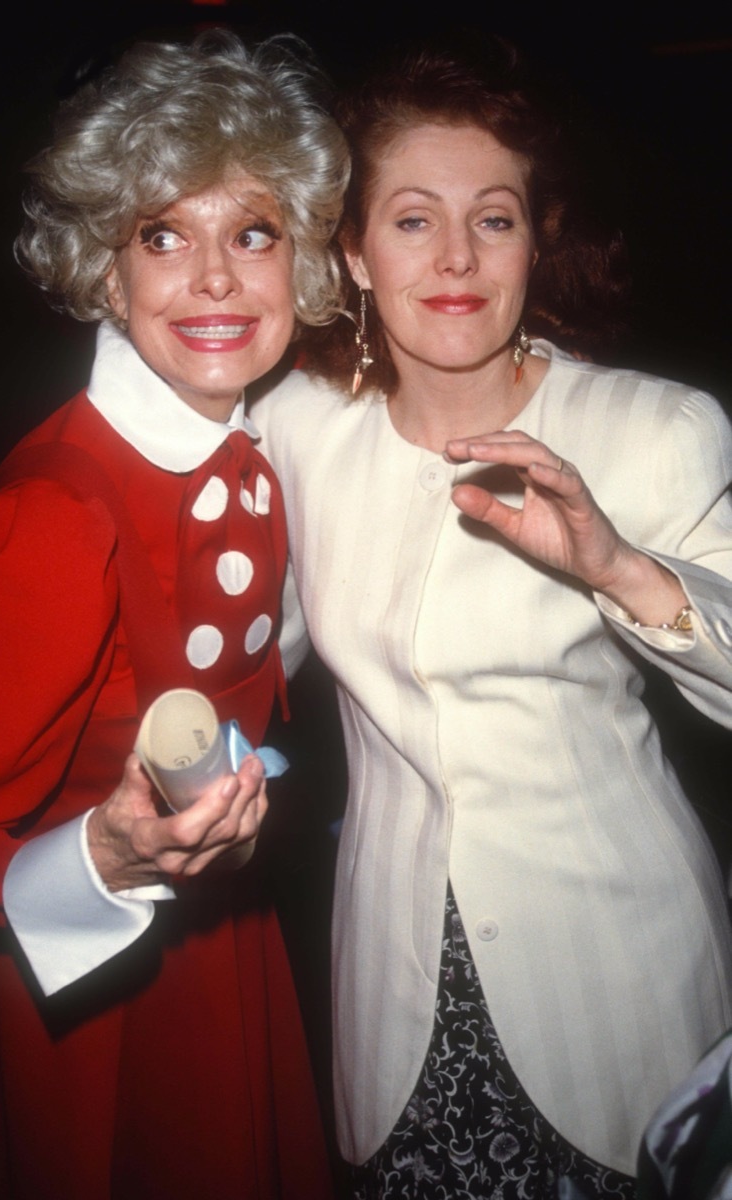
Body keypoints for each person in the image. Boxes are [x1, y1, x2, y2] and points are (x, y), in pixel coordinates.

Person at [251, 35, 732, 1200]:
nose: (455, 256)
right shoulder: (299, 427)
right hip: (391, 997)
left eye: (495, 218)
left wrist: (620, 569)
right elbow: (237, 648)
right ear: (354, 253)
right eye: (411, 219)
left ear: (535, 242)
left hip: (622, 982)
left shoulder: (653, 427)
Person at [0, 32, 348, 1200]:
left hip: (225, 951)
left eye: (252, 233)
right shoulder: (49, 517)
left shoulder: (255, 454)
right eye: (161, 235)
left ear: (304, 263)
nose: (212, 279)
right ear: (104, 265)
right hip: (68, 1006)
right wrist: (101, 856)